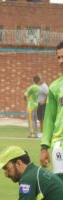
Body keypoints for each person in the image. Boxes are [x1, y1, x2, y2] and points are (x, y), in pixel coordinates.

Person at [40, 41, 63, 181]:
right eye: (58, 57)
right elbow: (49, 119)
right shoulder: (55, 87)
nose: (61, 61)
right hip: (60, 144)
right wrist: (44, 147)